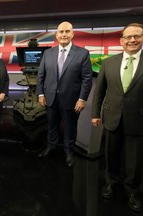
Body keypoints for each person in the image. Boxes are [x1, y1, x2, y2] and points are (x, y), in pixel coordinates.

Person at [91, 23, 143, 212]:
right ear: (121, 40)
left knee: (135, 161)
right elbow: (99, 92)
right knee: (110, 155)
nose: (132, 40)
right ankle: (110, 182)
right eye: (128, 37)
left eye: (137, 36)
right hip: (111, 118)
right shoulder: (108, 62)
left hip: (140, 121)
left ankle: (132, 190)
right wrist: (95, 113)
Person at [36, 21, 93, 167]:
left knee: (70, 127)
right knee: (51, 125)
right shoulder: (48, 53)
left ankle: (69, 152)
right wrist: (41, 94)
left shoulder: (82, 53)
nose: (64, 34)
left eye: (67, 31)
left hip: (72, 99)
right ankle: (51, 147)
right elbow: (41, 75)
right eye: (61, 32)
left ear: (72, 34)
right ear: (56, 35)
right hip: (50, 99)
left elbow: (87, 79)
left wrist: (82, 99)